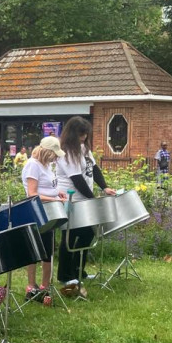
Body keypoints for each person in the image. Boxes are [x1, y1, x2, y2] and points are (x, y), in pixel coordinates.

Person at [55, 116, 116, 298]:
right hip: (70, 199)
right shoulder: (66, 152)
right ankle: (65, 275)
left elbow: (94, 170)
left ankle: (78, 272)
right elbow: (77, 179)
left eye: (85, 134)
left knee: (88, 234)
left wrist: (104, 187)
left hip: (83, 199)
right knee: (69, 237)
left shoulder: (84, 149)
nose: (84, 137)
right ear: (73, 134)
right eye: (81, 134)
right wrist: (93, 199)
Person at [22, 137, 67, 302]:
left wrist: (58, 192)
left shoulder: (47, 165)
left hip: (49, 212)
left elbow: (49, 187)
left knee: (48, 249)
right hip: (37, 212)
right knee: (35, 250)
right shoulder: (33, 165)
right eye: (54, 154)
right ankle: (31, 286)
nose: (56, 158)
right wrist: (55, 200)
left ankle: (45, 286)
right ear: (47, 151)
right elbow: (32, 193)